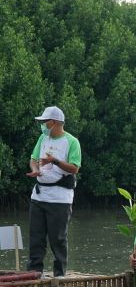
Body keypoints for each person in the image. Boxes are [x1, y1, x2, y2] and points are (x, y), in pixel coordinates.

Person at [26, 106, 81, 277]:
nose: (42, 125)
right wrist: (35, 169)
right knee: (36, 237)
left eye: (44, 121)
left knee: (58, 239)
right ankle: (34, 272)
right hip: (39, 195)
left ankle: (59, 274)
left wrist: (55, 161)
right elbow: (33, 159)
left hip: (60, 198)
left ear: (55, 122)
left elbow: (74, 168)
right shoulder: (43, 138)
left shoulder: (71, 141)